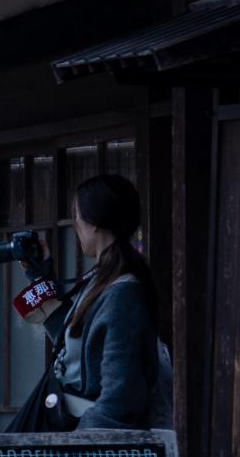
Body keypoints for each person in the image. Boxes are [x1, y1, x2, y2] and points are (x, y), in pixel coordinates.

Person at [59, 175, 173, 429]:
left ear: (95, 222)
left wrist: (78, 443)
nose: (74, 223)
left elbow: (120, 396)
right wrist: (38, 275)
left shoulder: (123, 292)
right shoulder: (102, 280)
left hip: (97, 443)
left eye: (76, 215)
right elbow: (73, 344)